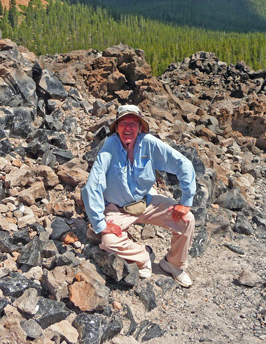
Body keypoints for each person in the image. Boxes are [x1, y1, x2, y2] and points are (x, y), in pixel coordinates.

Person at [82, 104, 197, 287]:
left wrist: (186, 200)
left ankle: (173, 264)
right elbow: (93, 185)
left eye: (133, 123)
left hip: (146, 202)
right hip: (117, 209)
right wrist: (100, 223)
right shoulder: (110, 145)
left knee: (187, 219)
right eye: (123, 123)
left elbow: (183, 164)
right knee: (109, 242)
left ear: (140, 127)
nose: (128, 128)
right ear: (117, 127)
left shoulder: (149, 143)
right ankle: (144, 255)